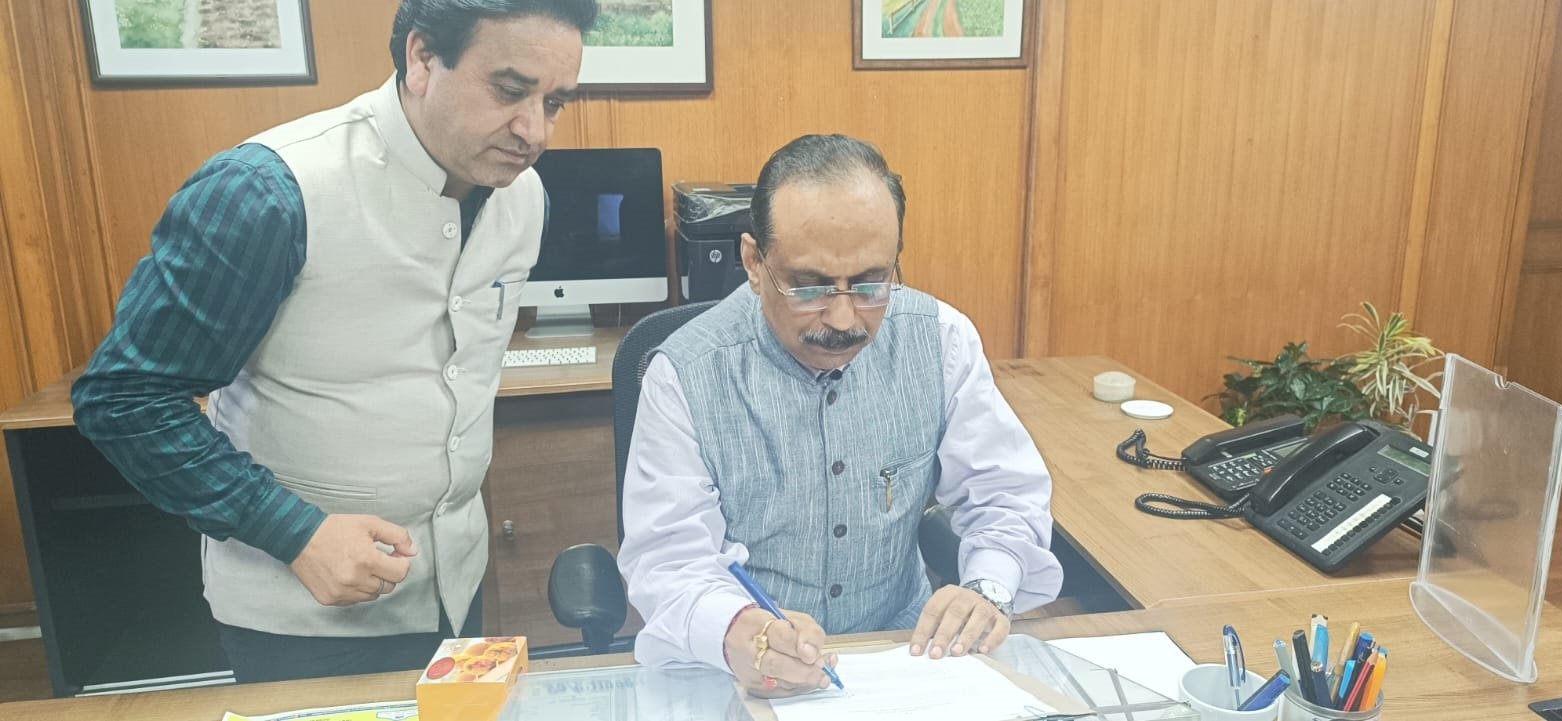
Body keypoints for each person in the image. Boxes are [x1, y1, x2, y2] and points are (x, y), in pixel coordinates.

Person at [70, 0, 597, 682]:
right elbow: (124, 397)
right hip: (300, 611)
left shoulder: (526, 197)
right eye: (509, 90)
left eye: (554, 102)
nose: (534, 131)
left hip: (456, 586)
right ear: (421, 58)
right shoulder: (270, 191)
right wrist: (293, 531)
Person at [617, 134, 1064, 697]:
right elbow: (669, 559)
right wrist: (736, 630)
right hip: (742, 674)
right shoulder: (685, 373)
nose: (845, 319)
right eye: (810, 287)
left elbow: (1006, 494)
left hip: (902, 656)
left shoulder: (941, 340)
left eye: (871, 283)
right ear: (754, 262)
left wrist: (988, 588)